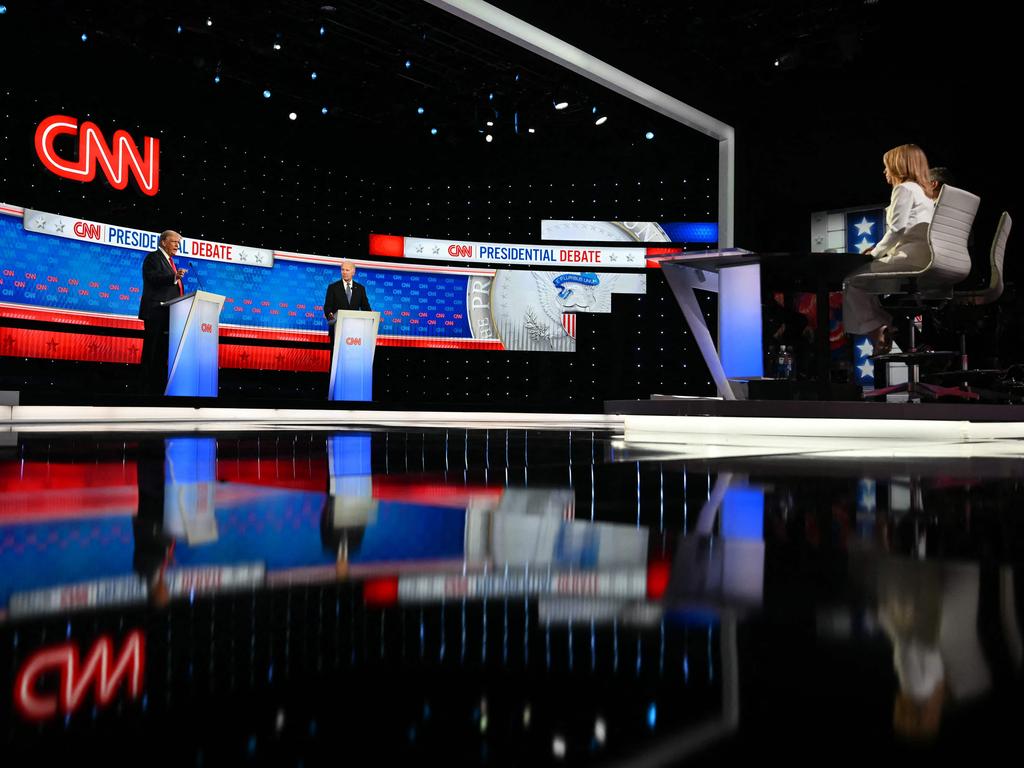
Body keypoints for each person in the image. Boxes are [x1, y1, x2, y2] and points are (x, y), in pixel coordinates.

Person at [842, 144, 937, 353]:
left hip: (909, 259)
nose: (885, 171)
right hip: (925, 259)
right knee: (869, 285)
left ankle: (878, 331)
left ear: (898, 166)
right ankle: (888, 326)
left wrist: (874, 254)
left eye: (887, 167)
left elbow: (898, 229)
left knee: (852, 280)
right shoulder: (925, 194)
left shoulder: (904, 188)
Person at [138, 230, 187, 394]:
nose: (177, 246)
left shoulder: (170, 261)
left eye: (178, 243)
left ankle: (158, 388)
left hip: (168, 314)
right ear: (164, 242)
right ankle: (144, 388)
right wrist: (174, 277)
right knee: (151, 351)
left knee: (161, 353)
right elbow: (152, 278)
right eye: (174, 242)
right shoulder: (153, 258)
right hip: (155, 311)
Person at [323, 260, 372, 349]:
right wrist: (332, 320)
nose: (344, 272)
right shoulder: (333, 287)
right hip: (337, 329)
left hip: (355, 332)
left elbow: (366, 308)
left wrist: (371, 318)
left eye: (347, 270)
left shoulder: (360, 289)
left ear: (353, 272)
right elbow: (327, 308)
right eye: (342, 270)